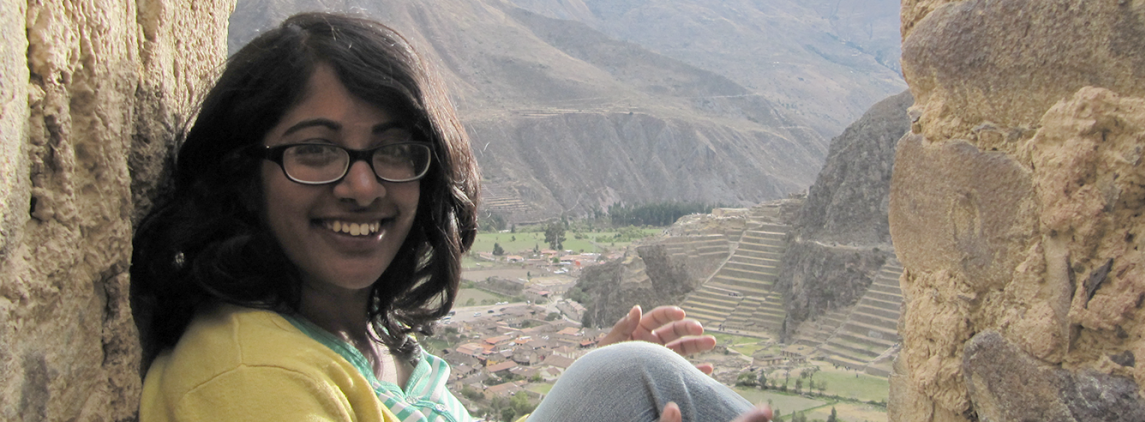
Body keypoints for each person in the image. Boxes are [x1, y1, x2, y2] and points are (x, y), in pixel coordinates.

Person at [131, 12, 769, 422]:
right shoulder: (253, 382)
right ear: (245, 173)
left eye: (394, 150)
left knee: (631, 373)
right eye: (315, 150)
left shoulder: (363, 342)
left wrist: (590, 386)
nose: (361, 184)